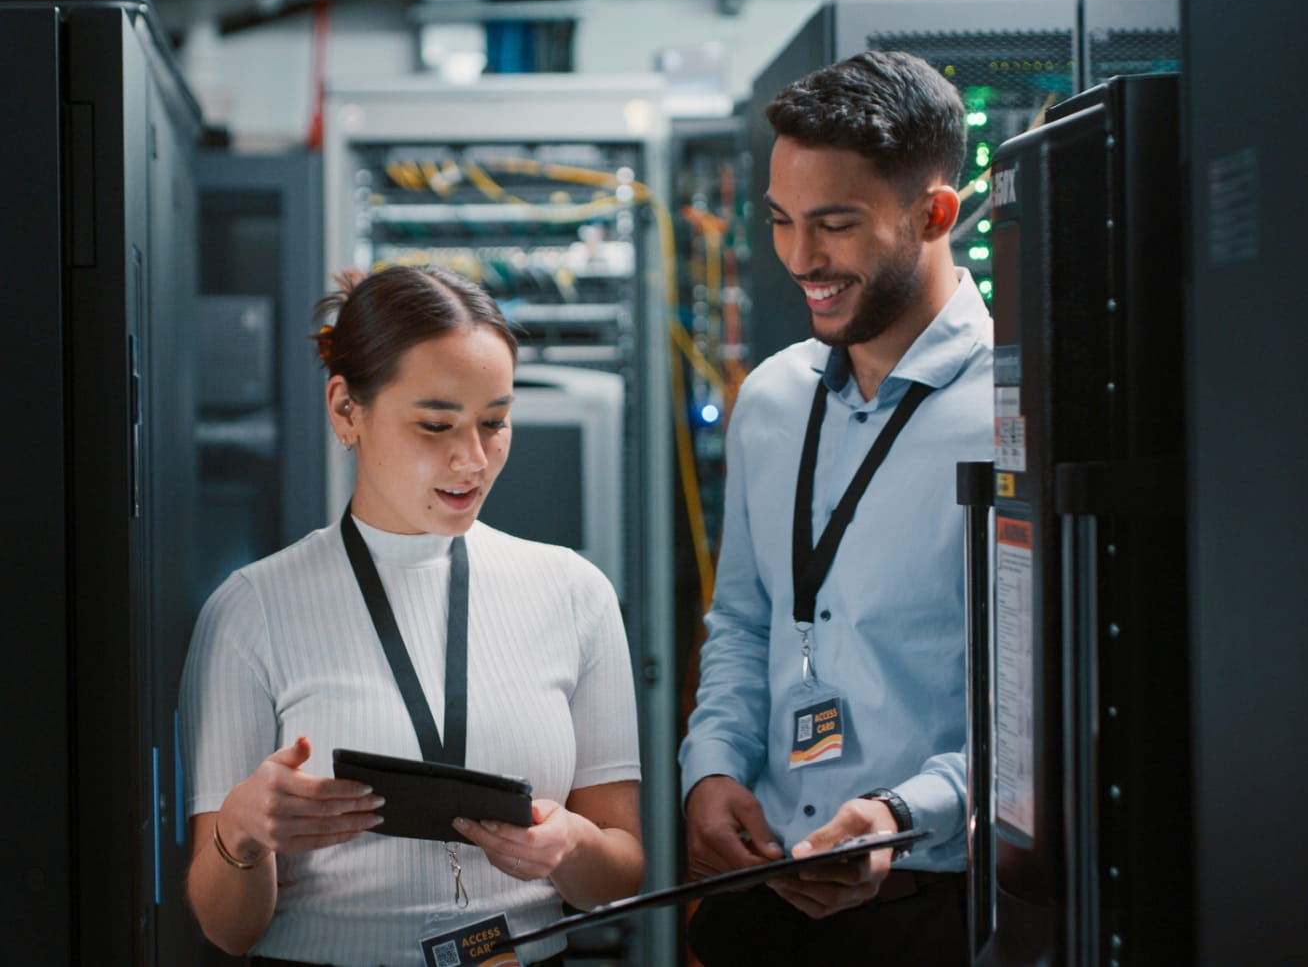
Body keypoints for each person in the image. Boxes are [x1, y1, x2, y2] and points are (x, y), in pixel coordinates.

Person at [179, 265, 644, 967]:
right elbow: (227, 930)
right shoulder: (252, 611)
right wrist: (241, 834)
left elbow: (620, 870)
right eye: (435, 425)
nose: (473, 459)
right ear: (345, 410)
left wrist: (571, 846)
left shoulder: (575, 592)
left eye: (496, 422)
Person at [678, 50, 993, 964]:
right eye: (781, 222)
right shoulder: (773, 400)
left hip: (937, 898)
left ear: (936, 214)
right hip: (767, 887)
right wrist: (713, 770)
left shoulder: (1020, 411)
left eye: (835, 226)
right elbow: (743, 620)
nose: (799, 260)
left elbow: (1044, 705)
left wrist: (904, 814)